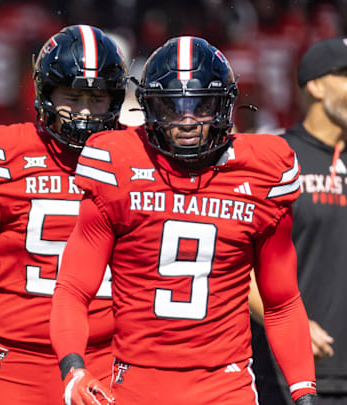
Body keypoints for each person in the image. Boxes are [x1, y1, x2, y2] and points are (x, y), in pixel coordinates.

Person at [50, 36, 317, 405]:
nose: (188, 121)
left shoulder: (263, 168)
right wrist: (74, 368)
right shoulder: (117, 160)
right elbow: (73, 288)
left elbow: (282, 301)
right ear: (149, 108)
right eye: (173, 108)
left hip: (226, 386)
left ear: (224, 105)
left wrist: (303, 391)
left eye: (201, 105)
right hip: (136, 382)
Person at [0, 25, 126, 404]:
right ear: (45, 93)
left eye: (96, 98)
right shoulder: (5, 151)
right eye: (72, 96)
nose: (84, 111)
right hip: (17, 362)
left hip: (109, 356)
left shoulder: (135, 154)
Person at [251, 37, 347, 405]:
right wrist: (294, 327)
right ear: (316, 85)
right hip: (291, 377)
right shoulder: (276, 158)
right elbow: (239, 263)